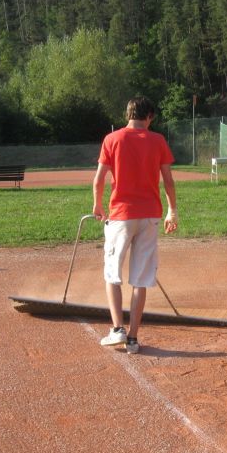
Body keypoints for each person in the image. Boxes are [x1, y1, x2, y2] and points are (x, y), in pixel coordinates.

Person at [92, 96, 178, 354]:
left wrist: (97, 205)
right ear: (149, 116)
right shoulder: (158, 140)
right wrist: (172, 210)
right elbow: (168, 181)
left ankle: (117, 328)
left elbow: (99, 180)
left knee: (112, 273)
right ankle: (132, 339)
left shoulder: (112, 139)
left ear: (128, 114)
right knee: (140, 278)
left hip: (121, 215)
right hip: (150, 215)